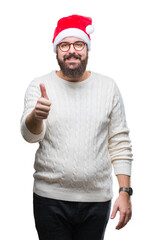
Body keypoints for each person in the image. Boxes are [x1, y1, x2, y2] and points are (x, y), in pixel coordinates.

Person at [20, 14, 133, 240]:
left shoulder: (108, 87)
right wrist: (36, 116)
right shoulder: (39, 85)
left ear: (87, 49)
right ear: (56, 50)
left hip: (96, 201)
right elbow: (29, 136)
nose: (72, 50)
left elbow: (119, 142)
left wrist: (125, 192)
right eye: (64, 45)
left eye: (78, 44)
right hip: (49, 199)